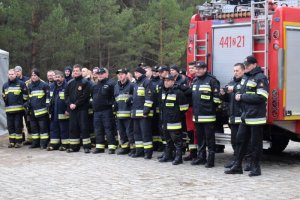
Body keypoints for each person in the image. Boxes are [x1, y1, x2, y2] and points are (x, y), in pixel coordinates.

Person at [225, 56, 269, 177]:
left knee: (255, 144)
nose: (247, 66)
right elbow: (241, 89)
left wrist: (242, 97)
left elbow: (262, 97)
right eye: (246, 65)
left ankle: (255, 168)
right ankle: (237, 166)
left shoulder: (261, 78)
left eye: (248, 65)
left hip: (256, 117)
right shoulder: (246, 77)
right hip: (245, 115)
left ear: (254, 65)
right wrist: (233, 90)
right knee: (240, 141)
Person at [191, 61, 221, 168]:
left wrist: (210, 108)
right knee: (200, 138)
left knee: (209, 139)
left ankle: (210, 160)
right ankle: (201, 158)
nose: (197, 70)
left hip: (208, 116)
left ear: (205, 69)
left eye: (200, 69)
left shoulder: (212, 81)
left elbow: (217, 99)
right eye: (196, 69)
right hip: (197, 116)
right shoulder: (195, 80)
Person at [158, 75, 188, 165]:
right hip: (165, 121)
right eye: (165, 80)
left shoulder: (178, 93)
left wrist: (176, 115)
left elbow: (184, 107)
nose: (166, 82)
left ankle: (178, 158)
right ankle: (168, 156)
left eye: (168, 80)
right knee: (167, 140)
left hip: (174, 121)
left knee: (177, 141)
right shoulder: (163, 92)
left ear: (173, 81)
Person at [220, 63, 245, 168]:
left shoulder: (246, 82)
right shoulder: (231, 82)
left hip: (243, 117)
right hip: (233, 117)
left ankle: (247, 161)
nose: (235, 72)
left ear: (243, 70)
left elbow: (246, 93)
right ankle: (236, 160)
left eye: (237, 70)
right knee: (234, 141)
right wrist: (223, 94)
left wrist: (234, 90)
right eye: (234, 70)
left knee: (243, 141)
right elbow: (227, 99)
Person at [65, 64, 92, 153]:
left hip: (82, 109)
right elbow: (66, 95)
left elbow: (85, 96)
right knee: (73, 128)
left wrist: (76, 104)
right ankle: (74, 147)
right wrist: (70, 104)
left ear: (80, 72)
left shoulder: (85, 82)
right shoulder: (70, 83)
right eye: (74, 71)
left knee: (84, 127)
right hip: (72, 109)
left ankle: (86, 147)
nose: (75, 72)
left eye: (77, 71)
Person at [91, 67, 117, 154]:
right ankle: (99, 147)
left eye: (102, 73)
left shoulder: (111, 83)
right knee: (98, 129)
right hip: (97, 111)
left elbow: (115, 96)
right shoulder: (95, 85)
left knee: (108, 129)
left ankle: (111, 147)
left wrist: (112, 105)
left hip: (107, 110)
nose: (100, 75)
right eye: (98, 74)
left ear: (106, 74)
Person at [131, 66, 154, 159]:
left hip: (144, 114)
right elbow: (136, 97)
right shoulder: (136, 83)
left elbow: (149, 97)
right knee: (137, 133)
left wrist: (146, 110)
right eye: (135, 73)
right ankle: (139, 151)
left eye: (137, 73)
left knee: (145, 133)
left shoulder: (147, 82)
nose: (135, 74)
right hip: (136, 112)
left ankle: (148, 152)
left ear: (142, 73)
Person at [2, 69, 28, 148]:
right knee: (10, 126)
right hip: (9, 110)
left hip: (18, 110)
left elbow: (25, 97)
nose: (11, 75)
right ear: (7, 75)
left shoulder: (21, 84)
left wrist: (22, 104)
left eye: (12, 74)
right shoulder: (5, 85)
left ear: (15, 75)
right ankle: (12, 142)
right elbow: (4, 96)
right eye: (9, 74)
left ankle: (18, 142)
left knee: (18, 126)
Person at [26, 68, 50, 149]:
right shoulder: (30, 86)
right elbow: (29, 98)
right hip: (32, 112)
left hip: (42, 111)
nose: (33, 77)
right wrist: (27, 105)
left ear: (38, 76)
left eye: (35, 75)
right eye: (32, 75)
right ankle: (35, 143)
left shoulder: (44, 85)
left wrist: (47, 106)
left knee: (43, 129)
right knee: (34, 129)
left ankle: (43, 144)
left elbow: (48, 98)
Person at [114, 68, 135, 155]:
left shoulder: (131, 85)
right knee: (122, 133)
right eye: (119, 74)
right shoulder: (116, 86)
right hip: (119, 114)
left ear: (126, 75)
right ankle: (124, 148)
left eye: (122, 74)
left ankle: (133, 149)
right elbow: (115, 99)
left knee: (130, 132)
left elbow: (135, 98)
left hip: (128, 114)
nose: (120, 75)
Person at [47, 71, 69, 151]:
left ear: (63, 78)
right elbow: (48, 98)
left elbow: (69, 99)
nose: (57, 79)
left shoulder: (67, 86)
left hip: (63, 112)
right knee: (54, 128)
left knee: (64, 129)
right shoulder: (52, 86)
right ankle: (54, 144)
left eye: (59, 77)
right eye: (56, 77)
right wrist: (48, 107)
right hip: (53, 112)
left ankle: (65, 145)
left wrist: (67, 109)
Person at [14, 65, 31, 144]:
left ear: (21, 71)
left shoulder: (27, 80)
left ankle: (30, 139)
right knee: (19, 122)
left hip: (26, 104)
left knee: (28, 121)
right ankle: (21, 138)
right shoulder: (13, 81)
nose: (17, 73)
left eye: (18, 71)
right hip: (18, 105)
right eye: (15, 71)